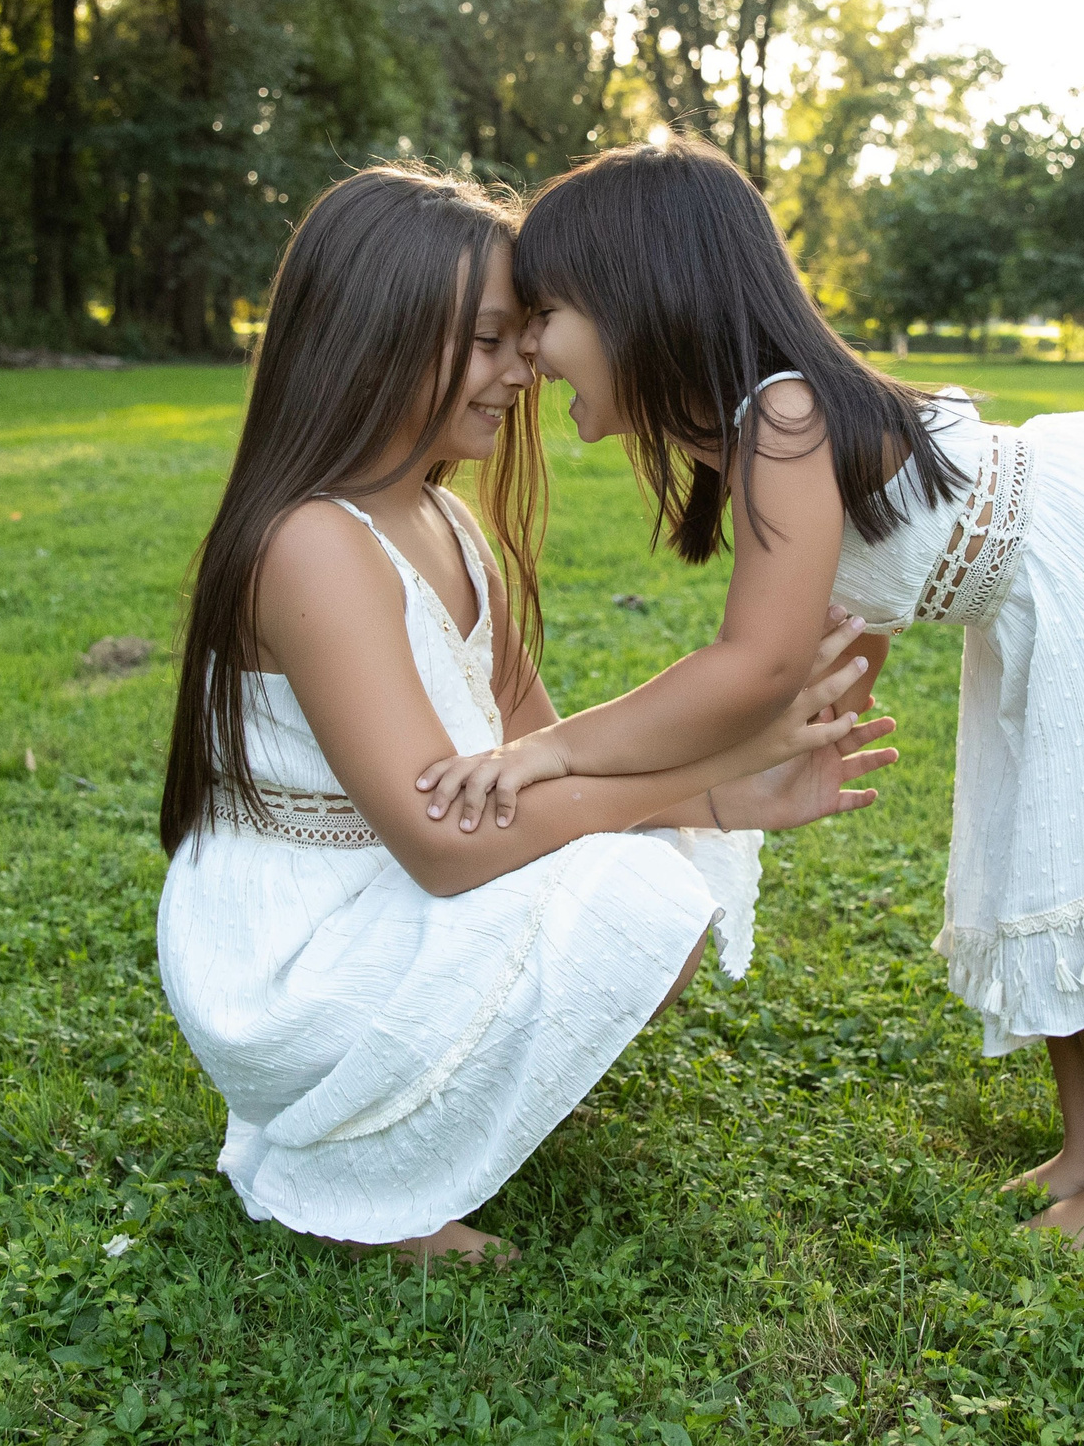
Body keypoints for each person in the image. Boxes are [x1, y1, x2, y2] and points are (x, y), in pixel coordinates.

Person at [416, 137, 1084, 1242]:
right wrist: (804, 725)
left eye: (546, 314)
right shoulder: (760, 429)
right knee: (1037, 857)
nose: (529, 348)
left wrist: (554, 751)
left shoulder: (785, 418)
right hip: (1046, 599)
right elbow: (851, 611)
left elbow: (749, 665)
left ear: (637, 300)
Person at [154, 164, 897, 1266]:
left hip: (392, 894)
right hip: (295, 964)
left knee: (660, 875)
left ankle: (445, 1091)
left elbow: (541, 767)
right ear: (379, 335)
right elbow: (451, 850)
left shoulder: (450, 526)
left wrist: (721, 767)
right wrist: (713, 786)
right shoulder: (313, 543)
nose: (529, 368)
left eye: (532, 334)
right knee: (640, 883)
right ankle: (366, 1179)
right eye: (494, 340)